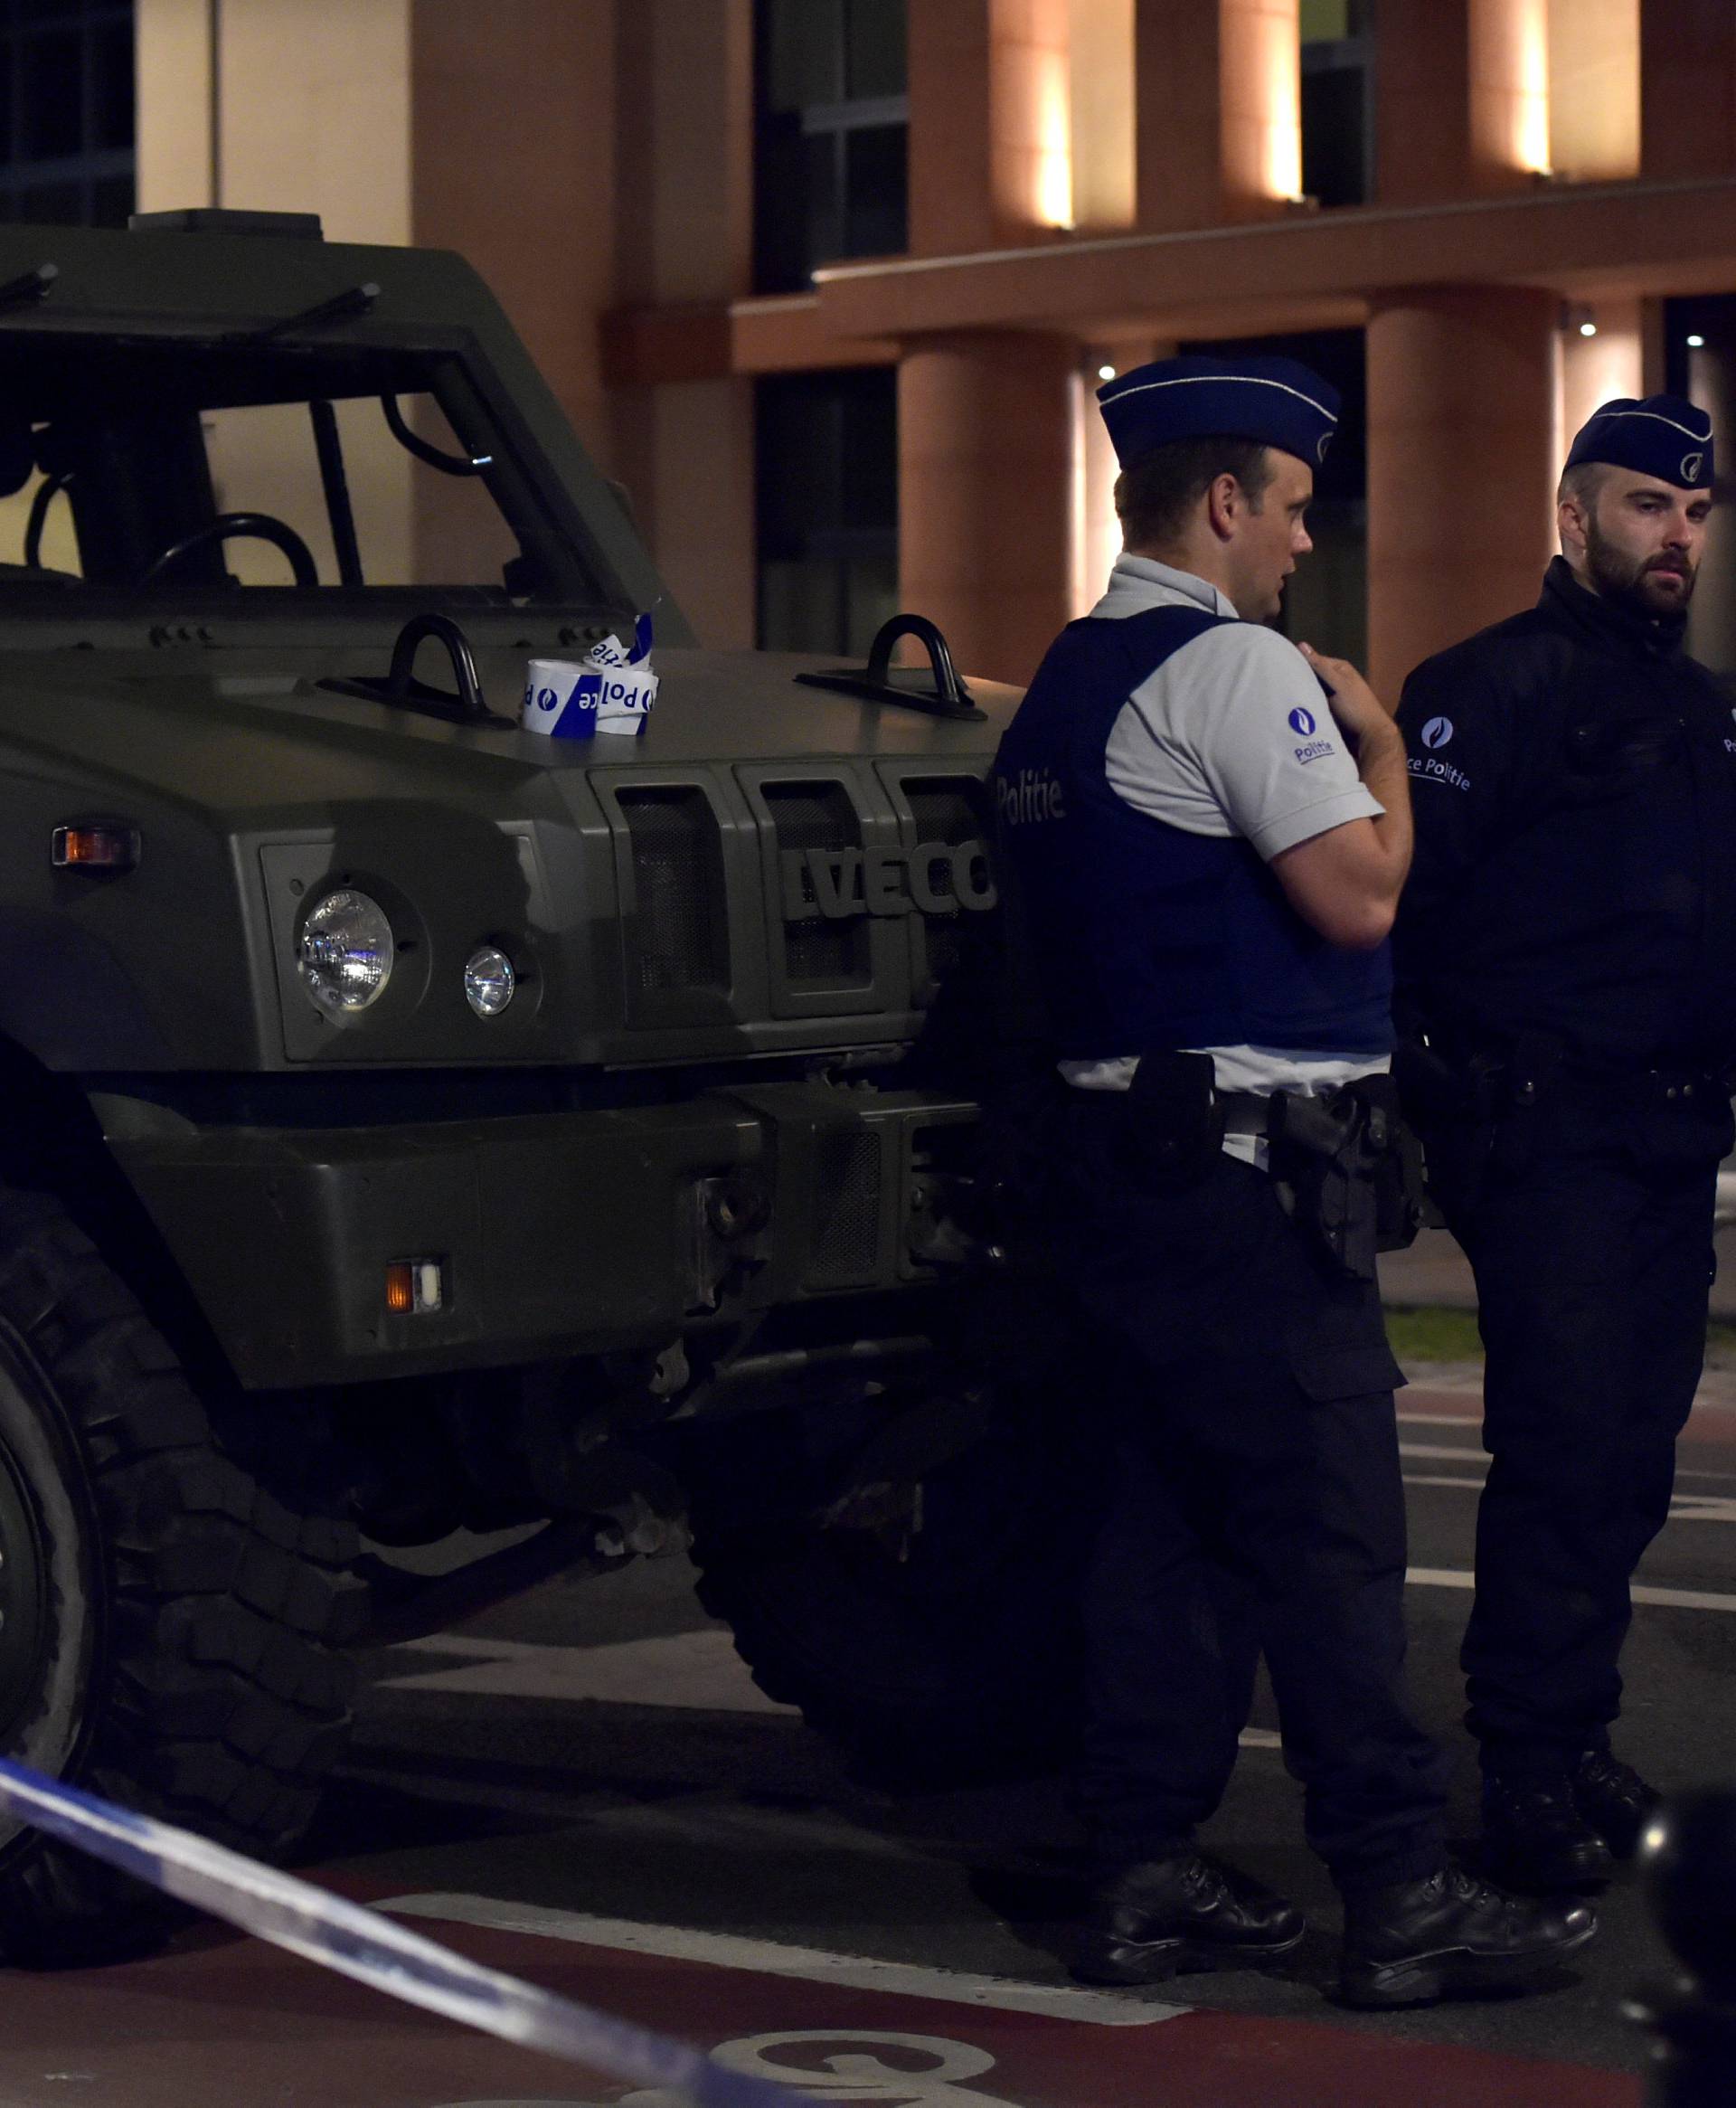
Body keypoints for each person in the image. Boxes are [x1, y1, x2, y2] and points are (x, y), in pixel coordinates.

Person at [992, 354, 1594, 2008]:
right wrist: (1383, 741)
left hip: (1126, 1172)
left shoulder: (1067, 676)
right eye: (1295, 509)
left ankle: (1140, 1866)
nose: (1303, 547)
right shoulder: (1233, 666)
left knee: (1163, 1538)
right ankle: (1398, 1894)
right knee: (1331, 1545)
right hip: (1247, 1190)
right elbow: (1362, 896)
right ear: (1226, 501)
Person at [1392, 394, 1736, 1893]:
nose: (1679, 538)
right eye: (1649, 507)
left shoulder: (1709, 710)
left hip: (1668, 1137)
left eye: (1698, 514)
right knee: (1561, 1450)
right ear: (1573, 515)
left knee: (1630, 1463)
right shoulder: (1485, 689)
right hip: (1545, 1136)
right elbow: (1407, 916)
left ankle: (1571, 1728)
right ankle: (1524, 1767)